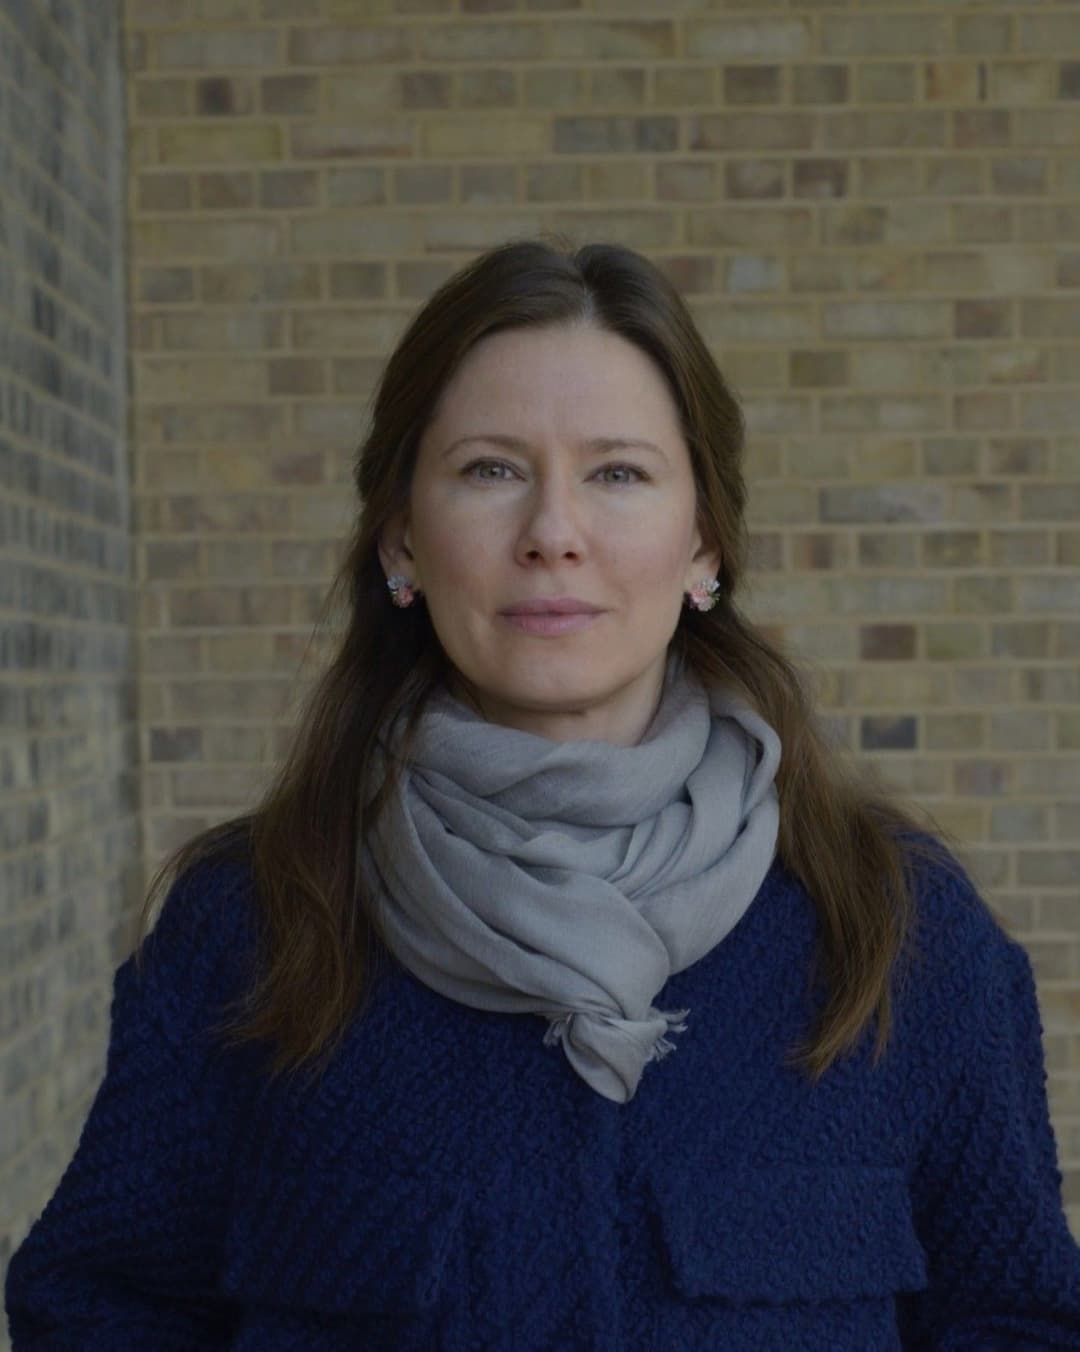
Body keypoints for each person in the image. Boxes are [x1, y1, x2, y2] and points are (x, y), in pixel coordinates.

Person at [5, 235, 1080, 1350]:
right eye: (490, 470)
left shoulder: (899, 932)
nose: (554, 535)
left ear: (705, 539)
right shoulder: (248, 927)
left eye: (618, 472)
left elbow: (1022, 1318)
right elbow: (98, 1308)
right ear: (400, 539)